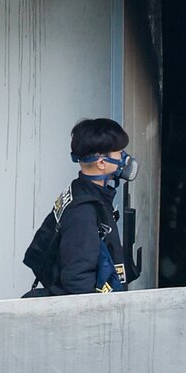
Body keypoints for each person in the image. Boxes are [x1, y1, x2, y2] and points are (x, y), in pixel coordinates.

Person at [23, 118, 137, 296]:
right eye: (119, 153)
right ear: (102, 163)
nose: (125, 159)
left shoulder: (81, 190)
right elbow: (78, 281)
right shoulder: (84, 211)